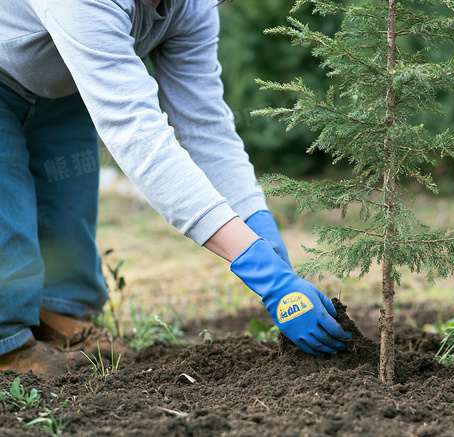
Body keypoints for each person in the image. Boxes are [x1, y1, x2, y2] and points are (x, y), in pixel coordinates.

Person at [0, 0, 351, 378]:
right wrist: (261, 272)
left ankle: (56, 313)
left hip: (64, 83)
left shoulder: (193, 5)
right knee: (7, 217)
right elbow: (143, 141)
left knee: (67, 215)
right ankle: (9, 345)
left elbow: (206, 130)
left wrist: (263, 237)